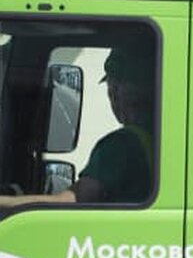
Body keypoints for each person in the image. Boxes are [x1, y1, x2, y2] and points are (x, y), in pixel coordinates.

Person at [0, 45, 155, 207]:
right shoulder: (164, 139)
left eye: (111, 88)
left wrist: (6, 202)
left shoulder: (122, 145)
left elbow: (72, 201)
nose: (111, 97)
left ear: (119, 90)